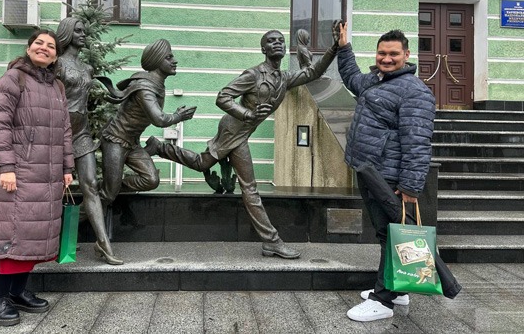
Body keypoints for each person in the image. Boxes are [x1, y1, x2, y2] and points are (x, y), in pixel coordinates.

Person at [145, 29, 338, 259]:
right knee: (249, 187)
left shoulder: (284, 78)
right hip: (233, 130)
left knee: (202, 163)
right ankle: (272, 242)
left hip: (242, 132)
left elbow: (313, 72)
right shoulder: (253, 74)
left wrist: (335, 46)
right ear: (263, 49)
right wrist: (248, 114)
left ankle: (159, 147)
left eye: (280, 41)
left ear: (286, 48)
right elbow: (222, 97)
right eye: (271, 41)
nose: (277, 43)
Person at [336, 23, 437, 322]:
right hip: (370, 171)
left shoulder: (414, 91)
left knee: (392, 235)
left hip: (389, 177)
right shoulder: (375, 81)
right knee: (387, 233)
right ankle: (398, 289)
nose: (387, 58)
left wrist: (410, 186)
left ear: (407, 55)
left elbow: (417, 142)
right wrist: (344, 48)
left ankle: (383, 300)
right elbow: (352, 78)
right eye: (382, 53)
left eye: (393, 53)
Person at [0, 29, 74, 327]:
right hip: (18, 174)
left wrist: (67, 168)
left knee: (34, 236)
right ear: (29, 47)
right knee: (12, 234)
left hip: (47, 175)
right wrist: (6, 167)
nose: (44, 48)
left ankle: (18, 292)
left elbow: (65, 130)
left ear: (55, 55)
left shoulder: (57, 86)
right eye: (39, 43)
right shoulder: (13, 79)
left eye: (50, 46)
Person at [98, 39, 196, 226]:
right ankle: (73, 222)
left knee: (151, 180)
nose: (174, 61)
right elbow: (159, 119)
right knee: (108, 194)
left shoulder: (156, 85)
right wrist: (178, 116)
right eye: (169, 57)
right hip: (115, 140)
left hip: (132, 143)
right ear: (157, 61)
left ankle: (109, 185)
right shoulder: (145, 88)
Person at [55, 17, 123, 266]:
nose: (83, 34)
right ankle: (50, 239)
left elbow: (85, 98)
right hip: (57, 132)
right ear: (67, 33)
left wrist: (111, 96)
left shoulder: (87, 68)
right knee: (52, 187)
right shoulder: (57, 64)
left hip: (81, 132)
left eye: (84, 31)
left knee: (91, 184)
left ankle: (104, 244)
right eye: (78, 31)